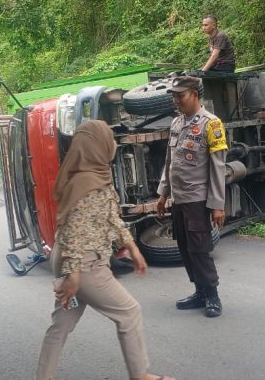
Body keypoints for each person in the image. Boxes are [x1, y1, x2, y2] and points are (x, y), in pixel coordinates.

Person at [35, 120, 173, 380]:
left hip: (70, 261)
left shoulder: (91, 173)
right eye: (108, 139)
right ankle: (140, 375)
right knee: (129, 313)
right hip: (84, 264)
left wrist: (131, 246)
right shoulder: (88, 182)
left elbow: (110, 218)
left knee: (61, 326)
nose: (112, 143)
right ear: (97, 146)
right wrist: (74, 275)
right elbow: (74, 228)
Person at [156, 76, 228, 318]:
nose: (176, 100)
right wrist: (162, 193)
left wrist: (217, 205)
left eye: (181, 95)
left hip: (198, 199)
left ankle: (213, 295)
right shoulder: (176, 123)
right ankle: (199, 292)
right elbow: (170, 162)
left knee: (200, 249)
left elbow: (218, 167)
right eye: (174, 96)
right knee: (185, 248)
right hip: (179, 199)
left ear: (194, 95)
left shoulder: (212, 124)